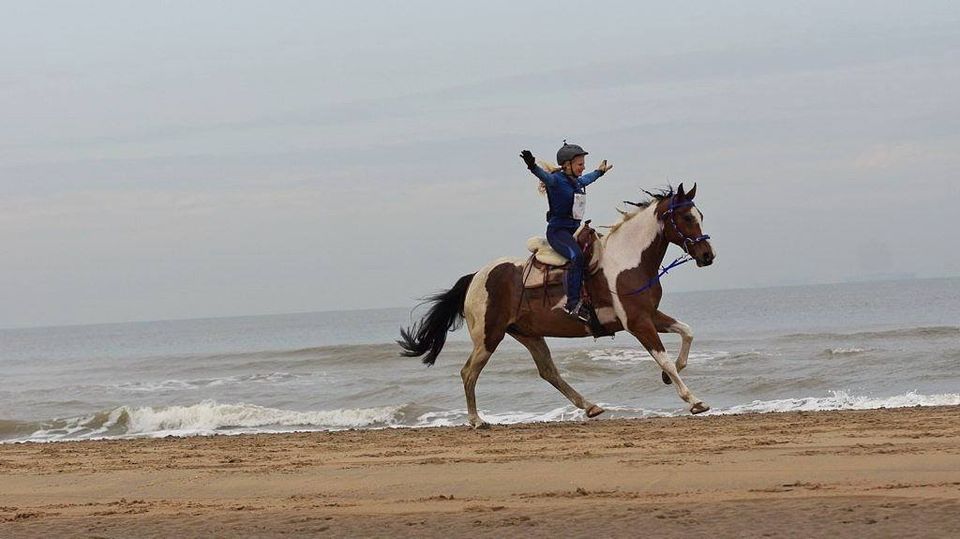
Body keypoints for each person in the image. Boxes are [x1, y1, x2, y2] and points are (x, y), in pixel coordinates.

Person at [520, 142, 613, 322]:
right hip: (558, 232)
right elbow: (543, 175)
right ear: (567, 165)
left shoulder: (577, 182)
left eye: (583, 164)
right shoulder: (555, 181)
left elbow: (588, 178)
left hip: (575, 230)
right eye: (580, 164)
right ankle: (572, 303)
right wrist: (532, 166)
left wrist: (600, 172)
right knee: (577, 257)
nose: (583, 167)